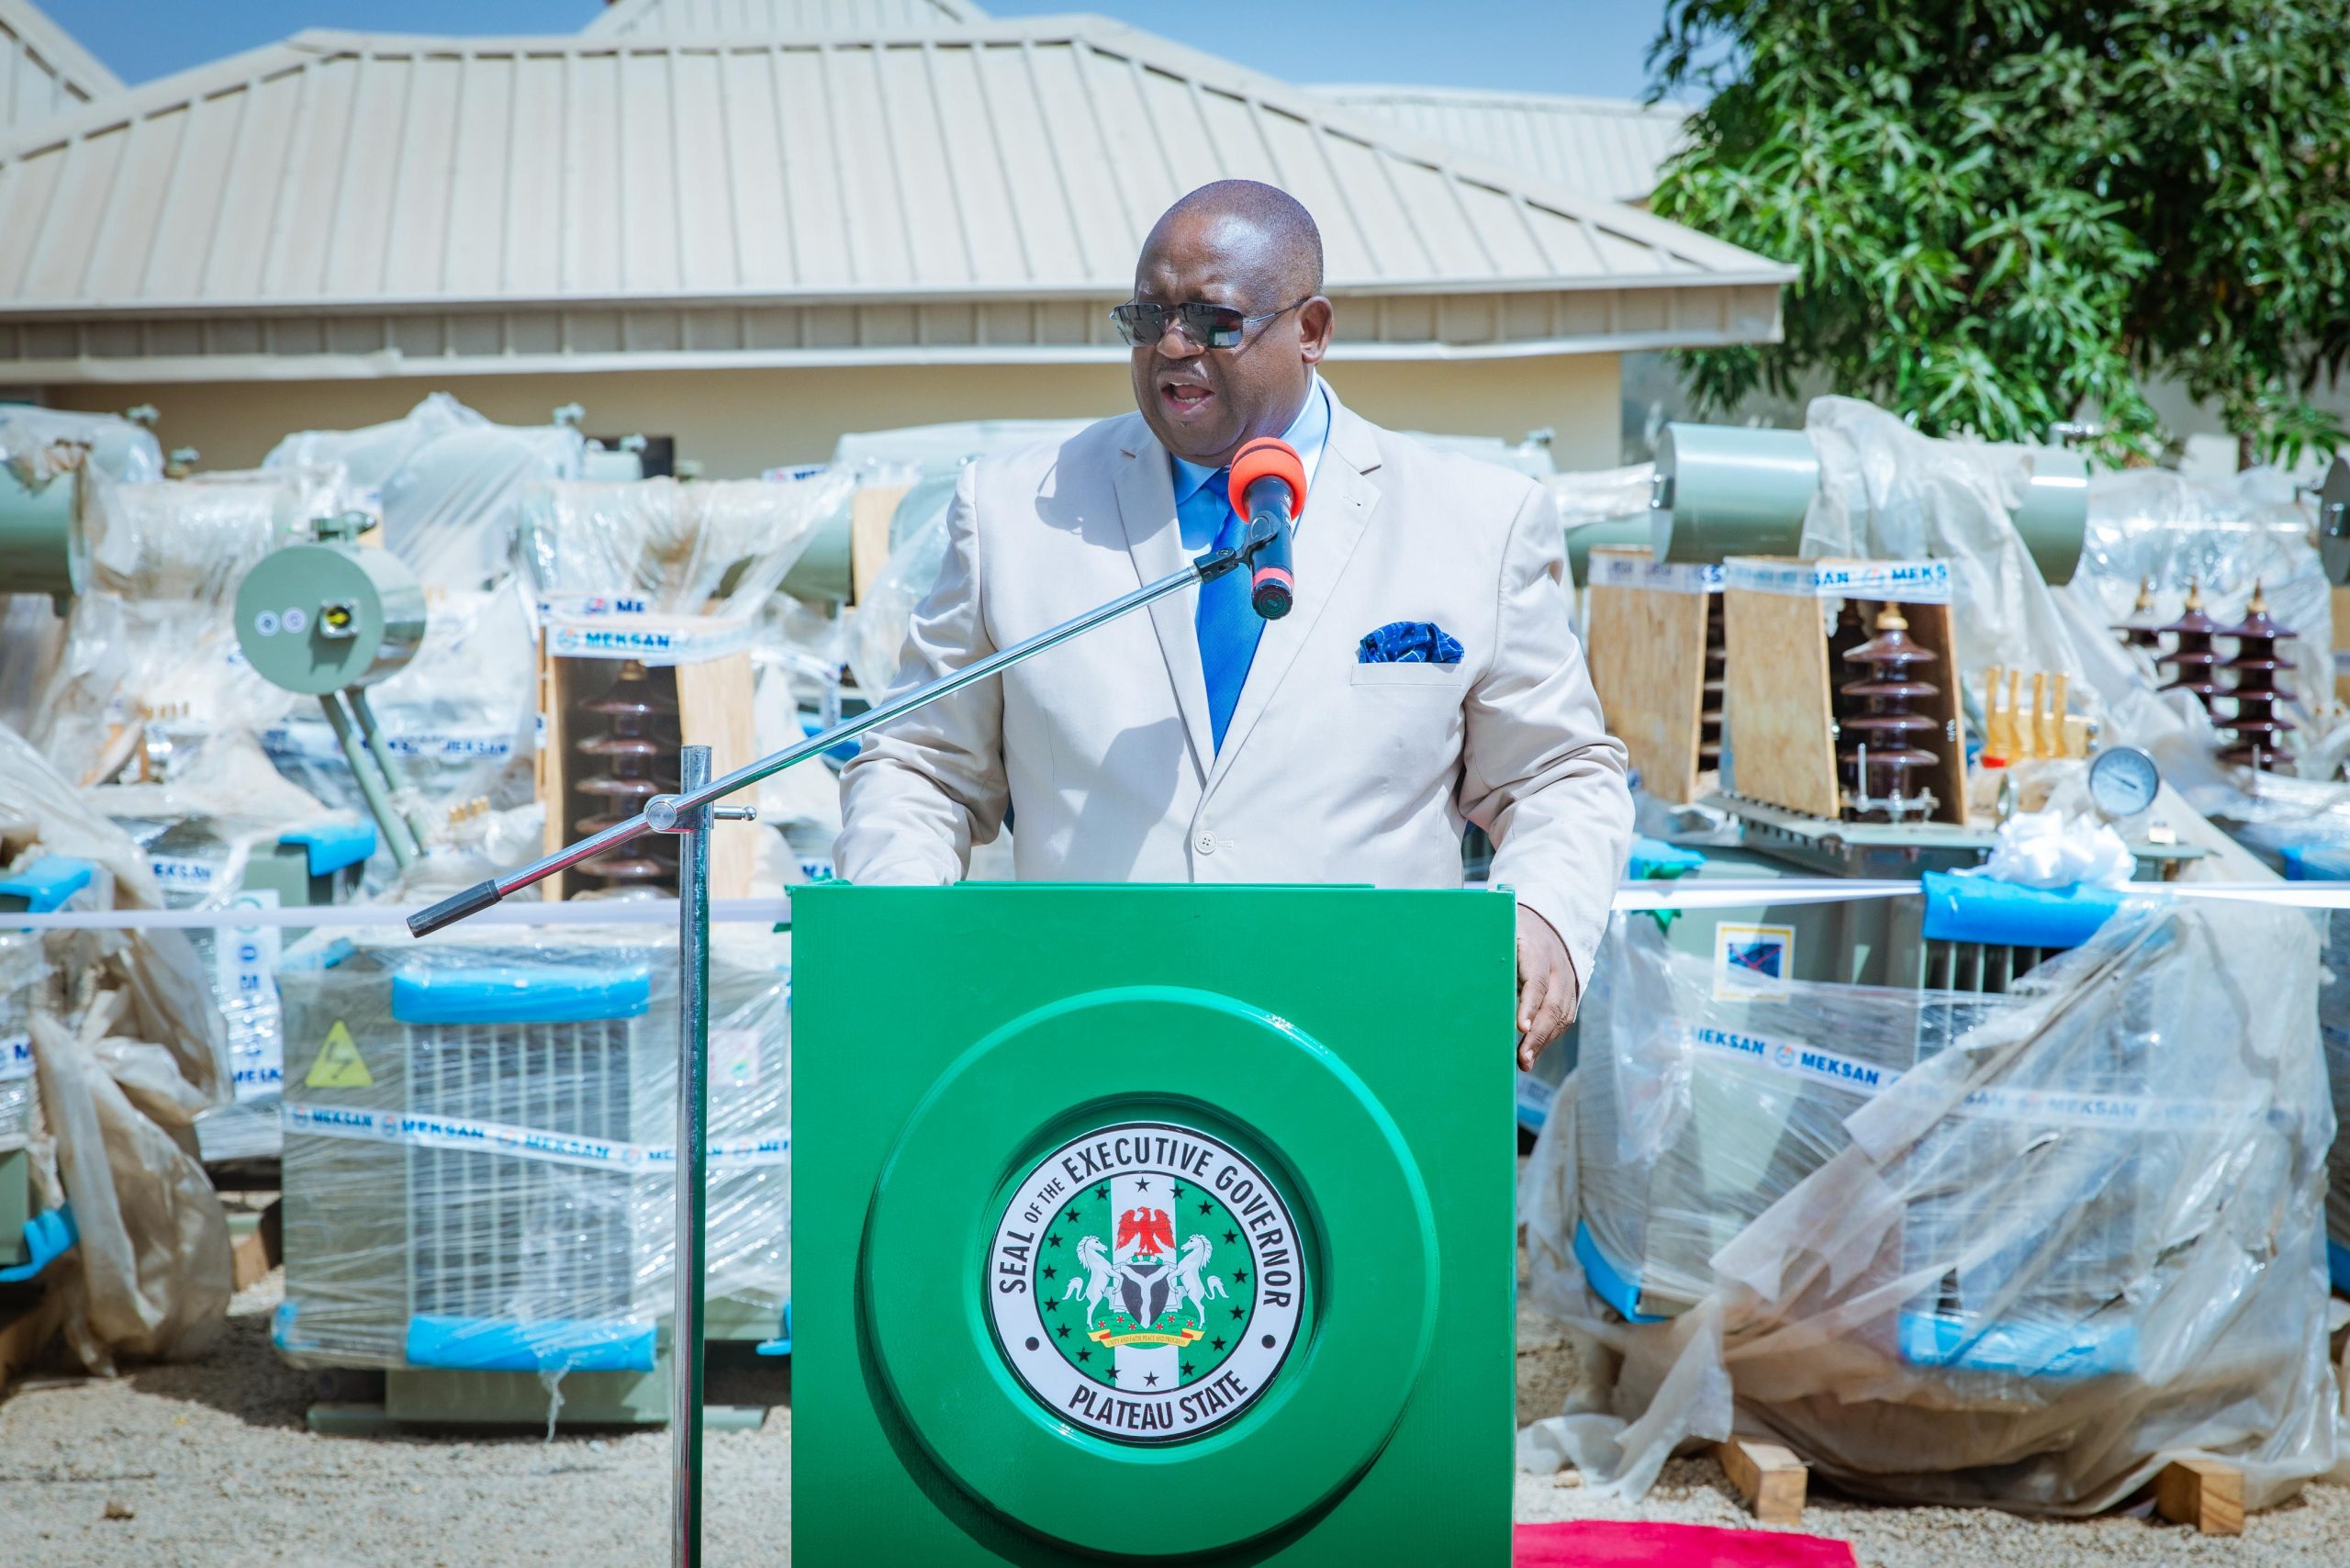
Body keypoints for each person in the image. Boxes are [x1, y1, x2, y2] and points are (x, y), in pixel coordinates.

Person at [836, 180, 1632, 1064]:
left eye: (1213, 321)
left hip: (1370, 1047)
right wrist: (891, 934)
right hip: (1090, 1055)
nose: (1173, 347)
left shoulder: (1477, 521)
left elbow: (1556, 774)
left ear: (1311, 330)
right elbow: (922, 765)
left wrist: (1546, 913)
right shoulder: (1012, 512)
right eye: (1148, 318)